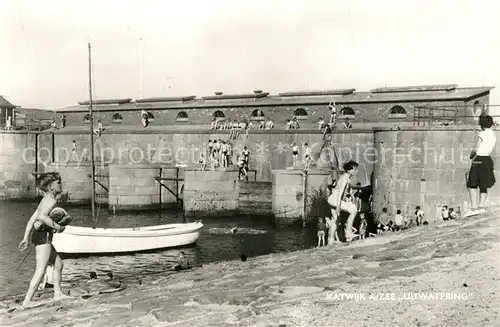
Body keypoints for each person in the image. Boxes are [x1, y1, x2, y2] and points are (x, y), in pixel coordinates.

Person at [18, 172, 69, 308]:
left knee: (58, 264)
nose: (60, 184)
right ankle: (27, 301)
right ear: (51, 187)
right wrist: (58, 227)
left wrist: (25, 238)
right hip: (43, 237)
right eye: (58, 182)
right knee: (40, 270)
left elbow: (32, 219)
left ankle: (57, 294)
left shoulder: (46, 198)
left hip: (39, 236)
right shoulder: (51, 201)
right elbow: (41, 216)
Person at [464, 115, 496, 217]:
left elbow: (476, 148)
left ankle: (474, 208)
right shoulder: (493, 135)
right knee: (484, 184)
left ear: (481, 125)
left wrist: (470, 155)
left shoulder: (482, 134)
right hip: (488, 160)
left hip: (478, 160)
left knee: (471, 183)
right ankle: (481, 206)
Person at [327, 161, 359, 241]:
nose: (356, 171)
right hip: (335, 199)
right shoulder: (345, 178)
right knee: (353, 211)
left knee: (336, 220)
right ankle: (348, 232)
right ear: (349, 170)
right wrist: (338, 206)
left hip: (332, 198)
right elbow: (340, 193)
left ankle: (330, 241)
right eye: (354, 170)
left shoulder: (344, 177)